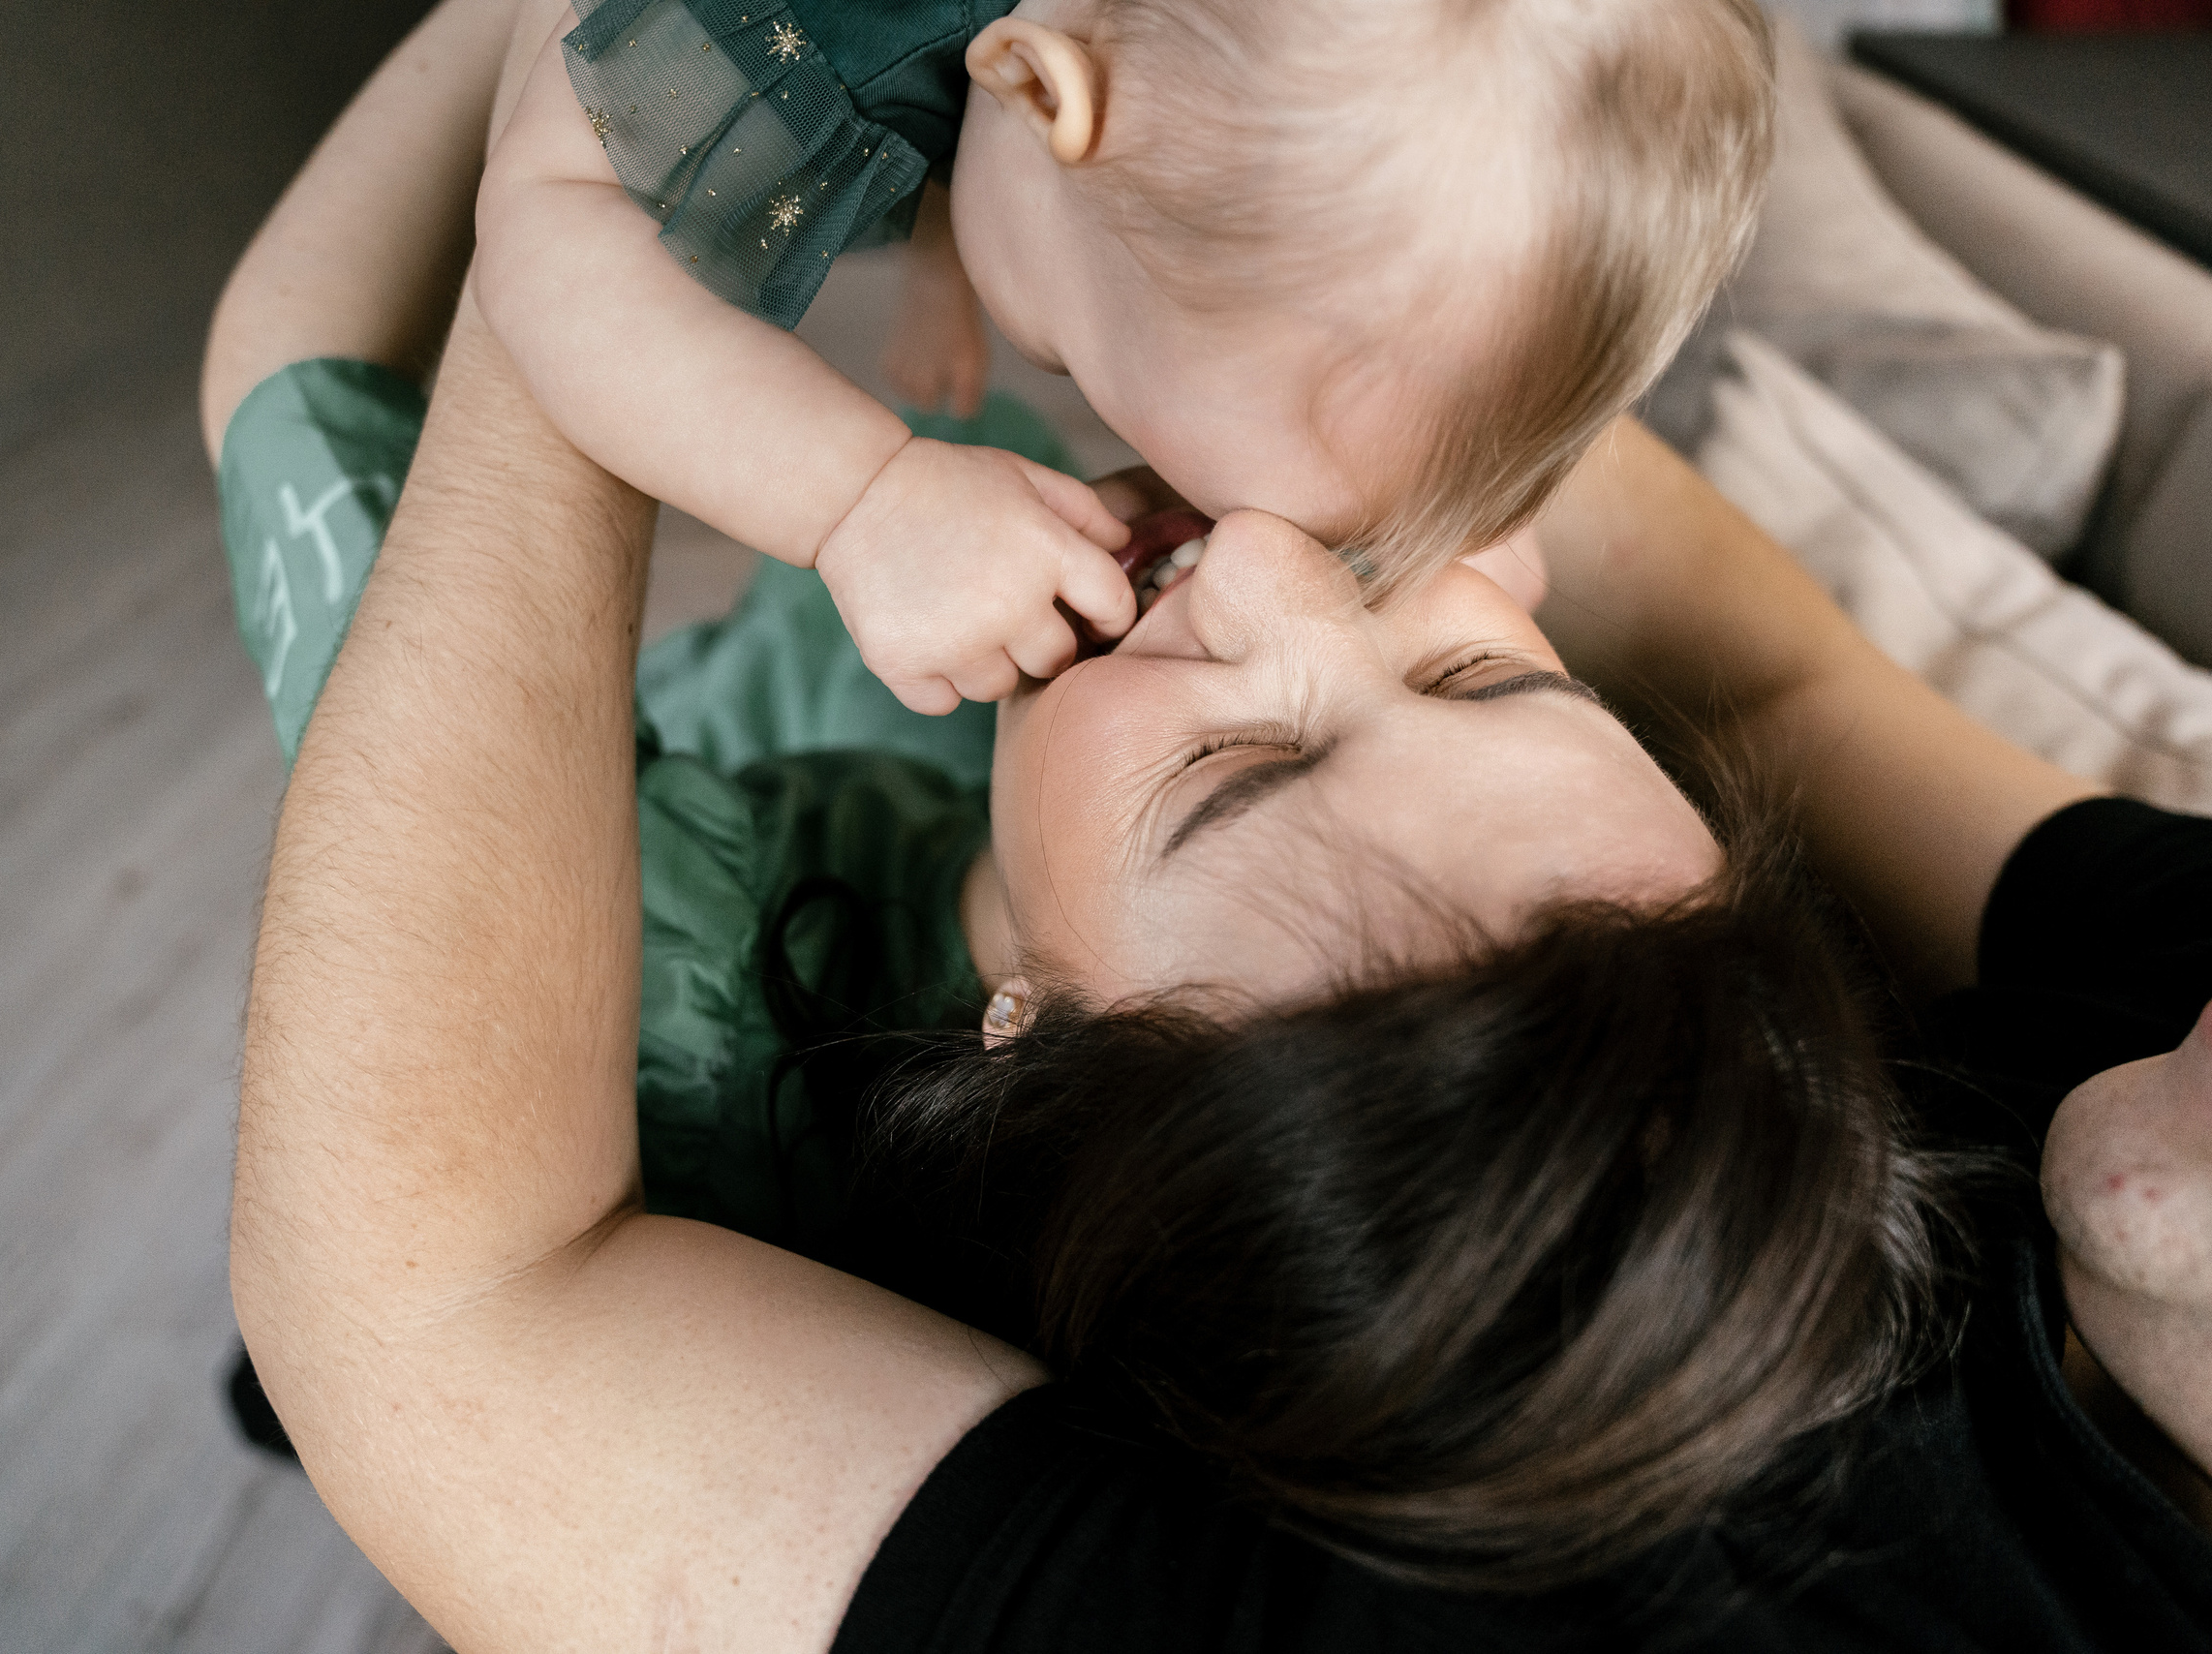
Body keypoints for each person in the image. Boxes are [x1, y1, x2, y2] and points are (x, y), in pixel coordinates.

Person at [202, 0, 1931, 1533]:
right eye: (1475, 673)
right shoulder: (1161, 781)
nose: (1287, 572)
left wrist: (532, 43)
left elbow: (288, 375)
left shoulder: (664, 991)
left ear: (1031, 1034)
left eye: (1237, 768)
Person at [470, 0, 1776, 713]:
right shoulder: (773, 32)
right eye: (1101, 369)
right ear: (1039, 93)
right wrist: (857, 498)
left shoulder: (1122, 64)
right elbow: (544, 214)